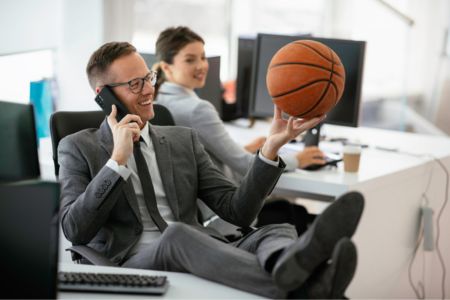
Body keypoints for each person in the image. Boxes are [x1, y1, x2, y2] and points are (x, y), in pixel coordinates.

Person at [58, 41, 364, 299]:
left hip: (202, 249)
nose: (149, 89)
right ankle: (305, 290)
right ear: (103, 95)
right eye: (135, 84)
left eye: (148, 78)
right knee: (178, 235)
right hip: (135, 263)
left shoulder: (182, 140)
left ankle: (299, 276)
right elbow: (75, 229)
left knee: (274, 230)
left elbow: (238, 212)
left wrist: (270, 148)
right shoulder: (77, 147)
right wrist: (117, 161)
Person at [154, 26, 324, 234]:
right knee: (293, 214)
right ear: (167, 67)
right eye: (190, 60)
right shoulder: (197, 109)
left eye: (203, 57)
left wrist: (244, 147)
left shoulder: (156, 101)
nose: (201, 66)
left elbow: (195, 154)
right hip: (222, 217)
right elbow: (244, 165)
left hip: (197, 215)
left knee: (287, 210)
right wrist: (299, 160)